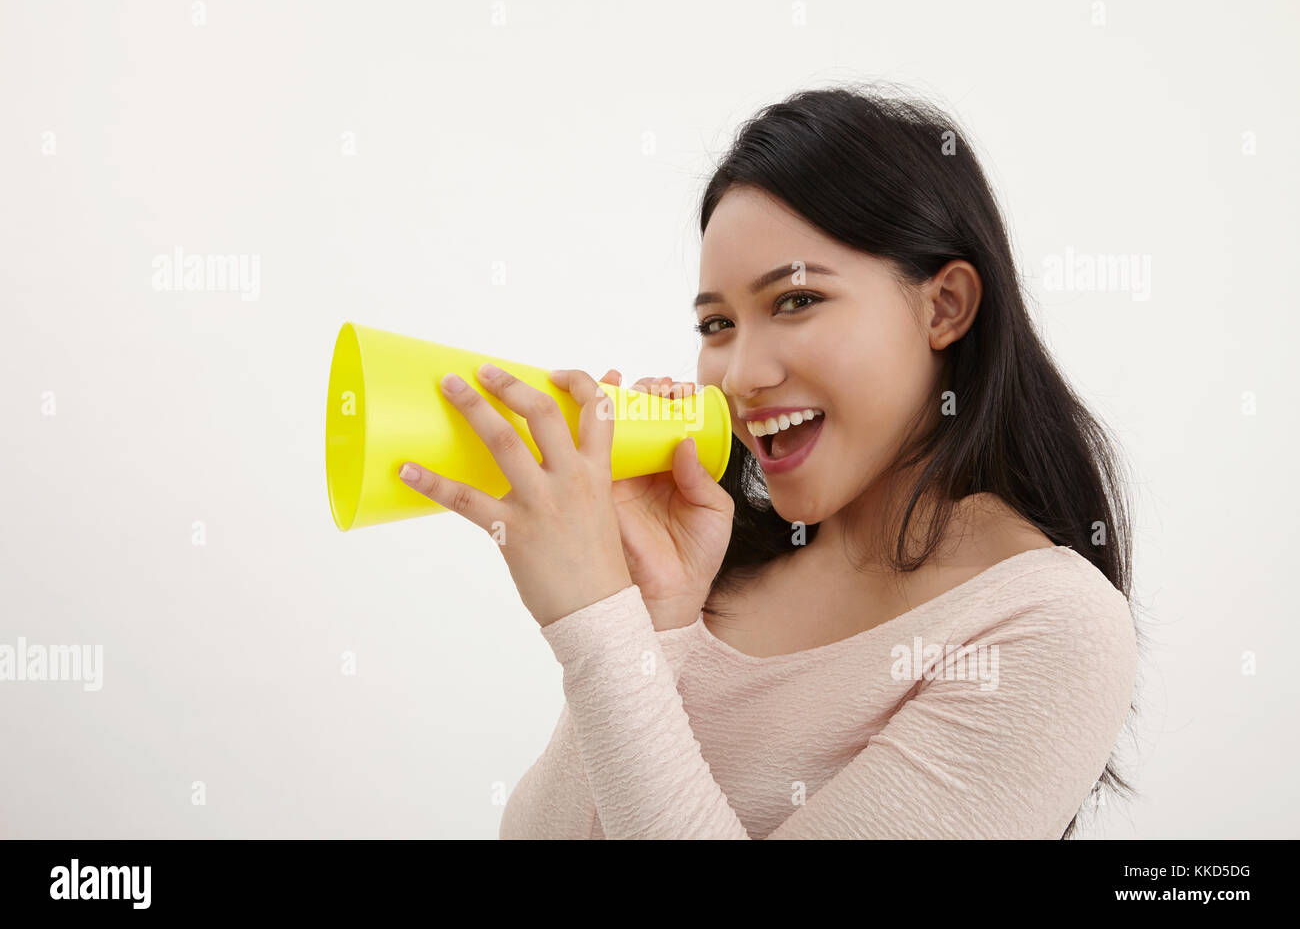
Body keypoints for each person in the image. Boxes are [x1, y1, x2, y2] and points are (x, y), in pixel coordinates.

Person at [400, 82, 1143, 839]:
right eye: (716, 323)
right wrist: (648, 624)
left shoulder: (1047, 624)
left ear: (943, 305)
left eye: (795, 302)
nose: (741, 376)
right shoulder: (714, 565)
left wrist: (598, 628)